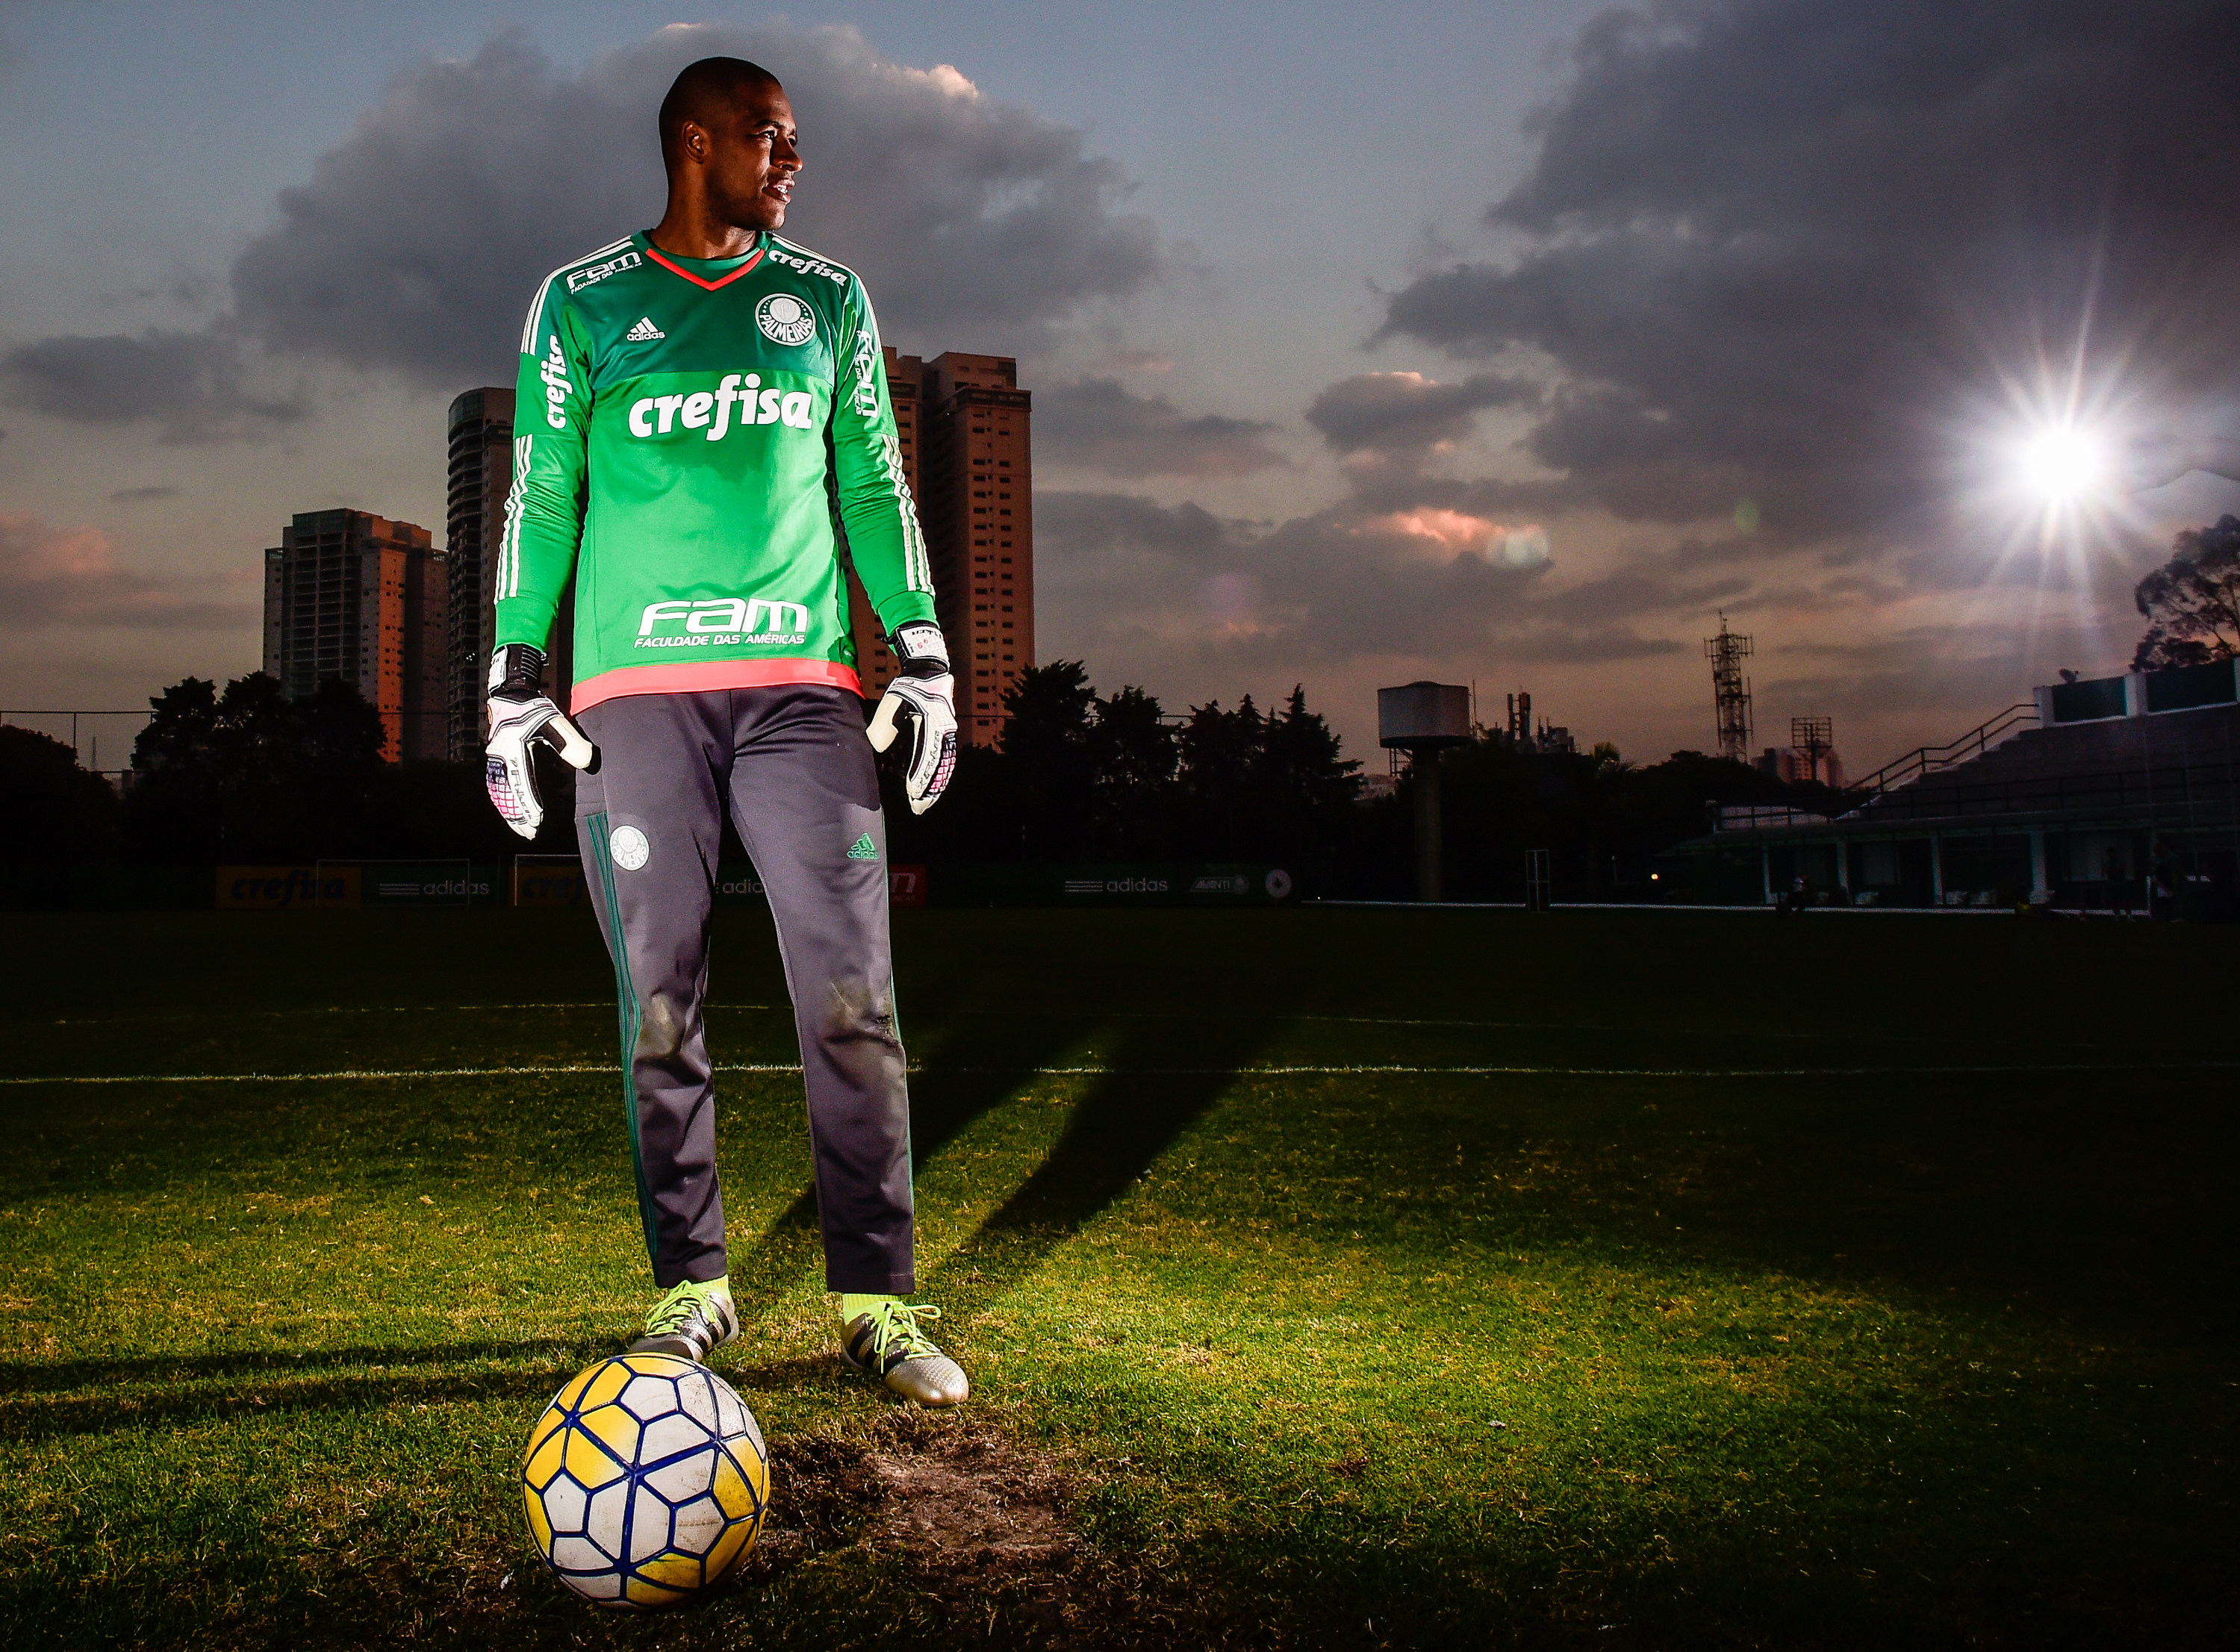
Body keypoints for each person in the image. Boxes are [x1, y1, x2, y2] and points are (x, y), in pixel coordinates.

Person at [480, 56, 966, 1405]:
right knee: (659, 1003)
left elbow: (873, 477)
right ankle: (691, 1284)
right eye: (773, 138)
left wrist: (917, 642)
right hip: (630, 700)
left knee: (854, 996)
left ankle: (877, 1301)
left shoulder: (826, 301)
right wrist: (517, 667)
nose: (793, 163)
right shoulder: (580, 302)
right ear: (698, 144)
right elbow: (545, 487)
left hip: (806, 694)